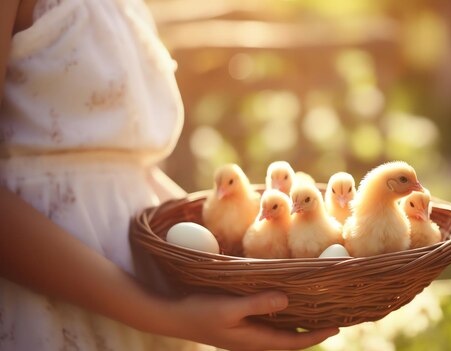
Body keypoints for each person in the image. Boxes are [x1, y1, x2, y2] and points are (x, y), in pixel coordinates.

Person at [0, 0, 338, 350]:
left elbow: (127, 172)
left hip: (153, 290)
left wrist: (232, 267)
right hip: (51, 304)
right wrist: (164, 314)